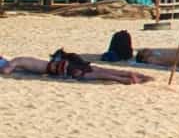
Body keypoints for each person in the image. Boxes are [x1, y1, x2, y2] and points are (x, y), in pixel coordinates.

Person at [1, 51, 148, 84]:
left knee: (97, 75)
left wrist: (5, 70)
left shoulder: (16, 61)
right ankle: (132, 74)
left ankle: (126, 80)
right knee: (99, 70)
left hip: (60, 68)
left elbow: (6, 71)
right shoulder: (23, 59)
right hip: (65, 62)